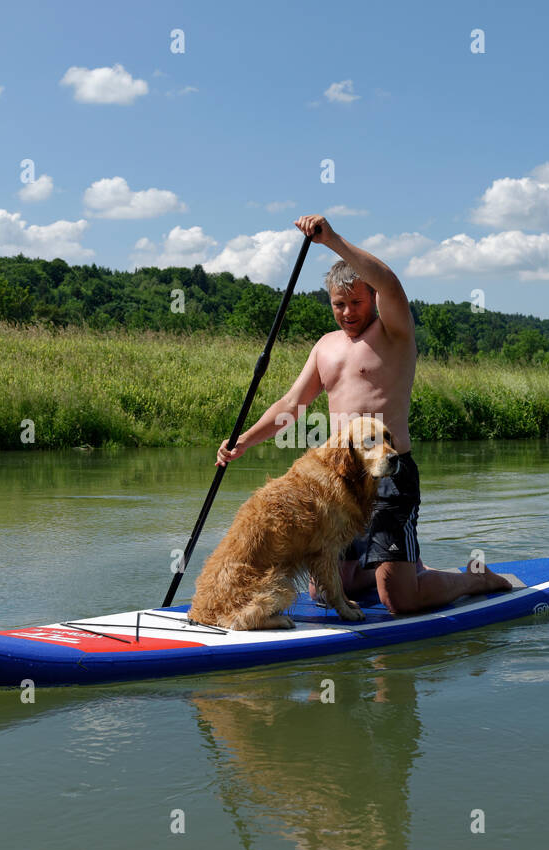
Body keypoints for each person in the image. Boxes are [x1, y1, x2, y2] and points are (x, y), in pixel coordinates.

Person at [214, 213, 511, 615]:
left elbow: (390, 281)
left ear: (371, 299)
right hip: (340, 478)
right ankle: (404, 566)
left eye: (357, 302)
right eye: (340, 304)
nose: (349, 312)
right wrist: (243, 442)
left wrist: (331, 239)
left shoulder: (394, 334)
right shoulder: (326, 347)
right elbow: (291, 405)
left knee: (400, 602)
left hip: (390, 473)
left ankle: (473, 578)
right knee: (327, 589)